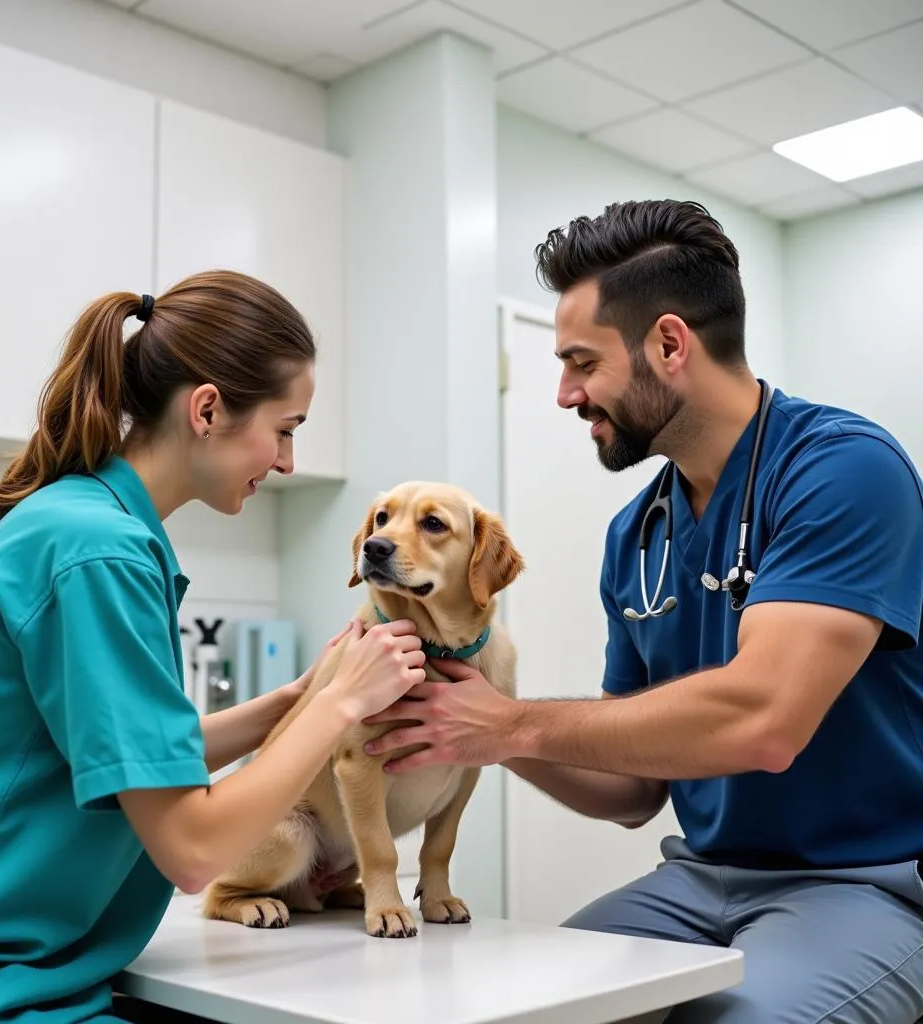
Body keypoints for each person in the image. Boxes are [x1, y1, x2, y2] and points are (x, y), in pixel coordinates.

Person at [363, 200, 923, 1023]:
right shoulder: (639, 533)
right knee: (523, 1006)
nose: (563, 394)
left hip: (864, 885)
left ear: (668, 344)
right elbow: (630, 788)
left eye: (581, 363)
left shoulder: (843, 471)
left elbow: (765, 720)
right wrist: (463, 720)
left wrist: (511, 725)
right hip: (699, 877)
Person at [0, 269, 427, 1024]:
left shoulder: (83, 523)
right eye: (284, 429)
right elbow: (192, 848)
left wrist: (293, 700)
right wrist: (341, 705)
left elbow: (132, 764)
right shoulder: (99, 552)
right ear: (208, 409)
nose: (285, 462)